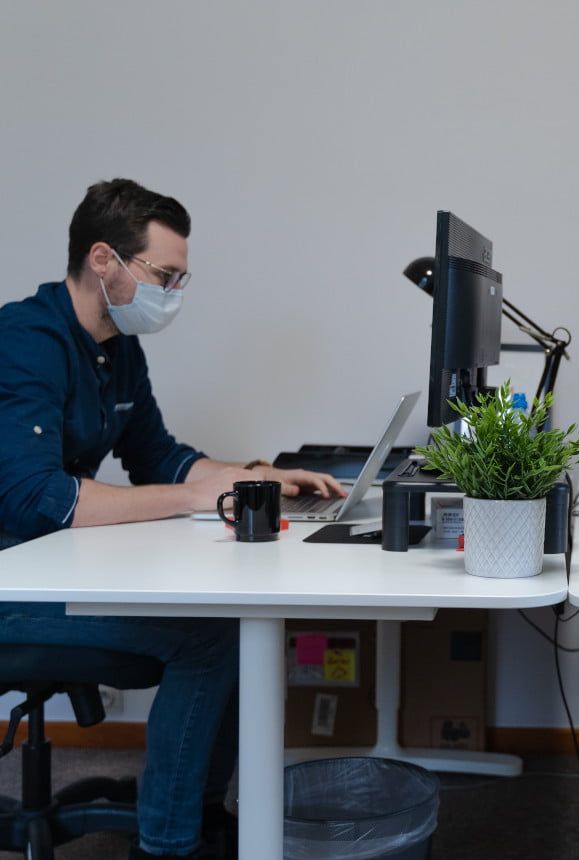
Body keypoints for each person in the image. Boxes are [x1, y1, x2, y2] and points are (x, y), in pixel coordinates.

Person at [0, 179, 346, 859]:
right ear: (104, 259)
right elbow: (35, 498)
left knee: (238, 619)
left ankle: (195, 813)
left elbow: (159, 455)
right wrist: (197, 499)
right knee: (210, 640)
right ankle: (167, 843)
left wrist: (257, 476)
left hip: (48, 565)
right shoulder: (26, 339)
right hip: (10, 583)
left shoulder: (117, 347)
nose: (174, 293)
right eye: (165, 275)